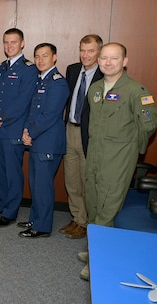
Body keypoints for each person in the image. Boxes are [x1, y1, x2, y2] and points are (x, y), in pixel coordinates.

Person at [80, 42, 157, 280]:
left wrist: (133, 150)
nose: (108, 62)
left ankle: (98, 262)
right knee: (92, 201)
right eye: (104, 58)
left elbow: (149, 123)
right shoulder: (95, 89)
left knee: (107, 207)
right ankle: (97, 246)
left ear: (124, 62)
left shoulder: (137, 90)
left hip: (119, 157)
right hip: (95, 153)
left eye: (114, 58)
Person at [0, 28, 38, 227]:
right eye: (6, 42)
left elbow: (23, 101)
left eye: (13, 42)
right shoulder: (2, 66)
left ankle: (11, 212)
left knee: (13, 172)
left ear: (22, 43)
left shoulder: (28, 69)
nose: (9, 46)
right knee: (0, 170)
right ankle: (3, 203)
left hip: (13, 129)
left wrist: (2, 117)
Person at [18, 43, 69, 238]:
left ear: (54, 57)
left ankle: (42, 227)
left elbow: (49, 115)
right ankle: (35, 218)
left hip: (48, 142)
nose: (40, 60)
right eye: (37, 56)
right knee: (36, 184)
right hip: (37, 140)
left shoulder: (57, 82)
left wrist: (30, 132)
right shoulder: (41, 80)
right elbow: (33, 111)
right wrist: (26, 130)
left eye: (45, 56)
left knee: (43, 187)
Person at [60, 34, 103, 239]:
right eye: (83, 50)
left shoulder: (104, 75)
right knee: (72, 179)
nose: (85, 55)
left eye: (91, 51)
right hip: (70, 129)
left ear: (99, 53)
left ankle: (88, 223)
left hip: (89, 136)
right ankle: (77, 219)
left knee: (88, 181)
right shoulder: (72, 70)